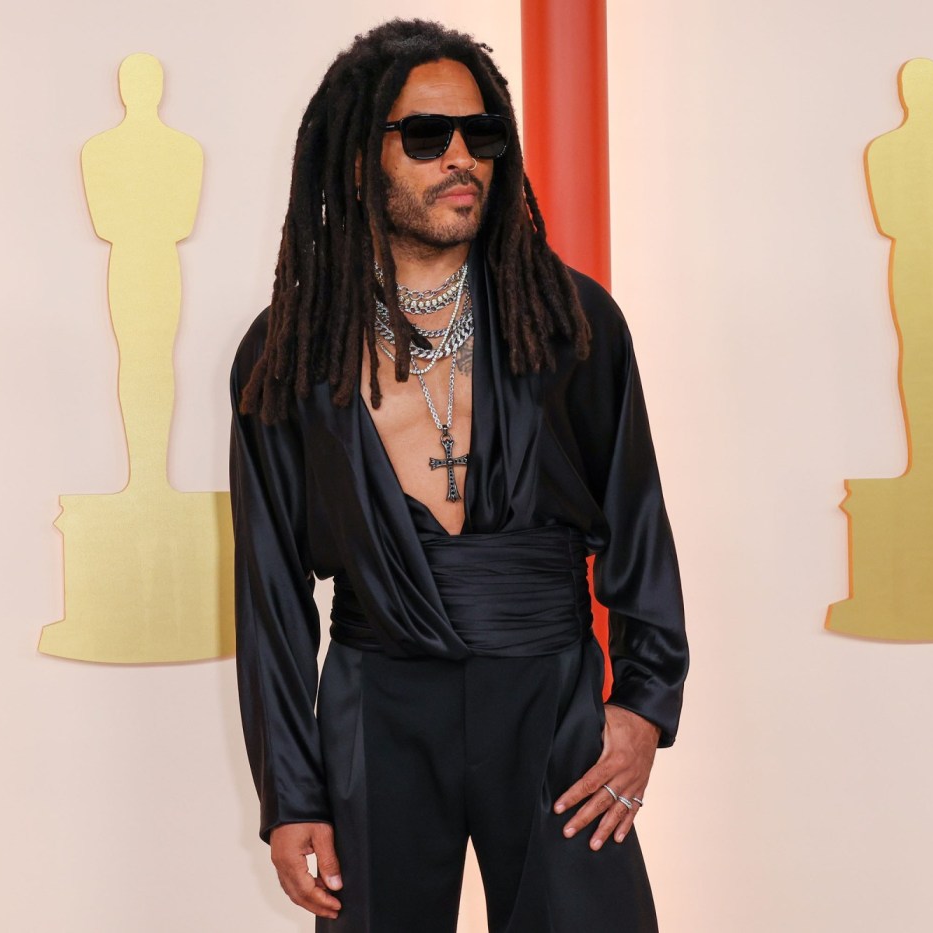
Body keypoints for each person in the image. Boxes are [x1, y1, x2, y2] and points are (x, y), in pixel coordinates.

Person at [229, 18, 689, 932]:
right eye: (426, 135)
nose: (460, 158)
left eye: (480, 134)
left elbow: (638, 526)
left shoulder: (569, 324)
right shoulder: (289, 356)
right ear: (358, 160)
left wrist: (644, 702)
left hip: (550, 701)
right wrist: (292, 791)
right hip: (378, 708)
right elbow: (271, 592)